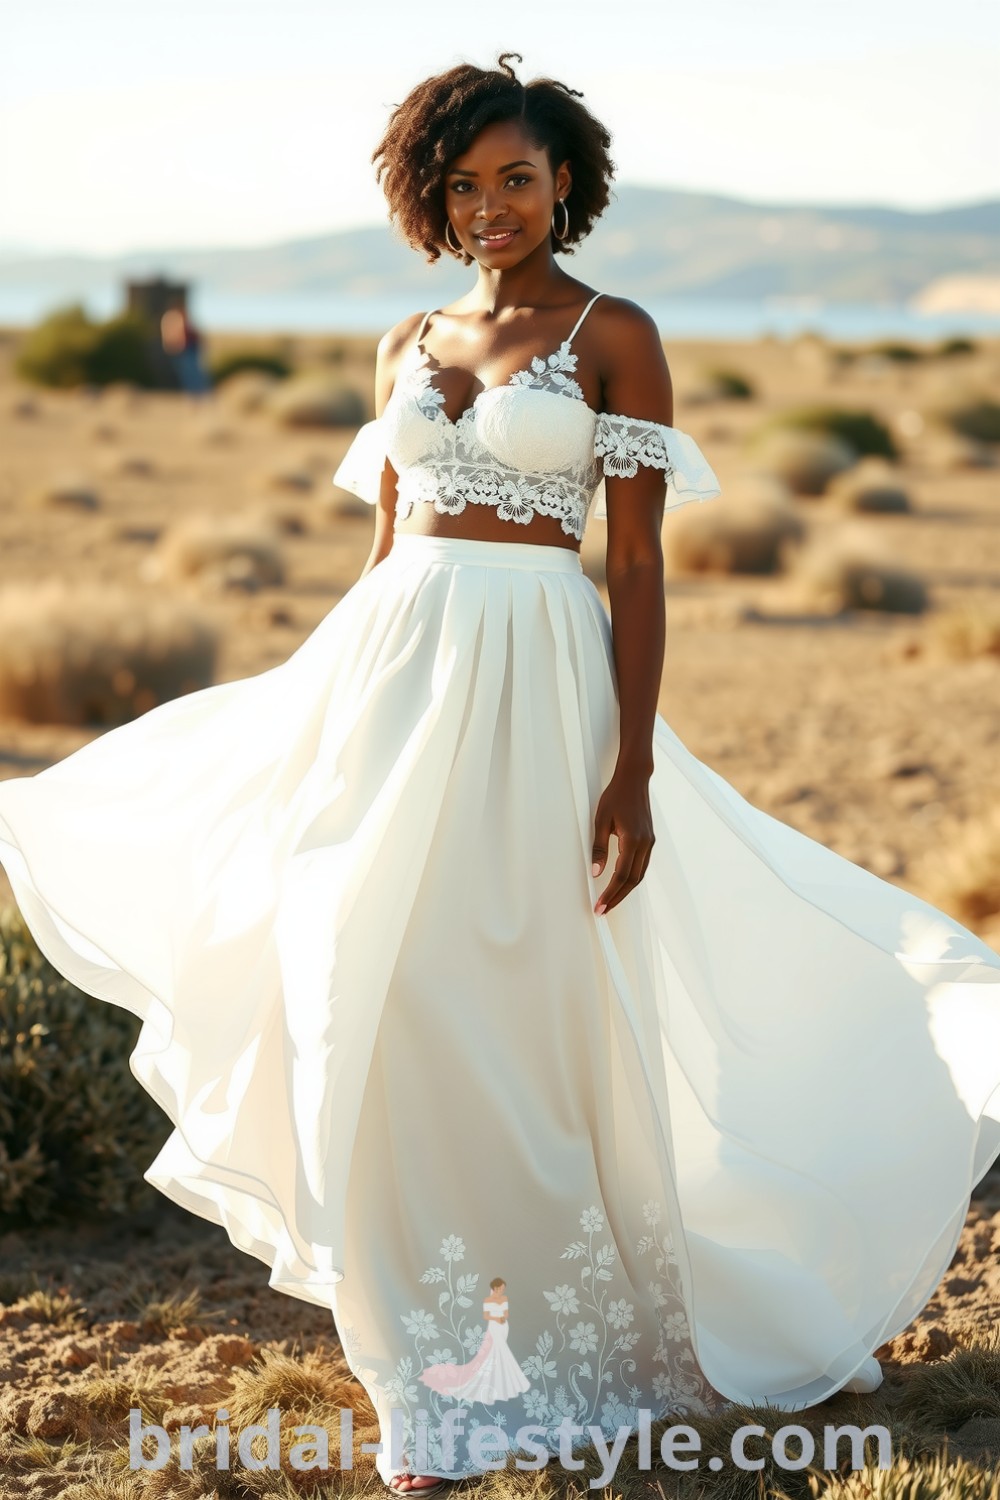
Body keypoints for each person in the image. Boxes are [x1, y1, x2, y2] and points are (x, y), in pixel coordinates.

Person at [0, 48, 999, 1500]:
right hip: (389, 684)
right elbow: (383, 554)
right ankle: (421, 1372)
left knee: (523, 1021)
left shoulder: (618, 334)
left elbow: (640, 564)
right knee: (370, 1000)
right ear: (429, 197)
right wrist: (313, 713)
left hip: (542, 689)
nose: (490, 209)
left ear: (566, 182)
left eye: (514, 180)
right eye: (461, 185)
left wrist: (633, 768)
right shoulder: (405, 337)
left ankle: (552, 1349)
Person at [160, 305, 211, 397]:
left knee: (193, 374)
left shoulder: (189, 328)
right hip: (186, 352)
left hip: (190, 352)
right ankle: (195, 394)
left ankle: (198, 394)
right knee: (189, 374)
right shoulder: (180, 324)